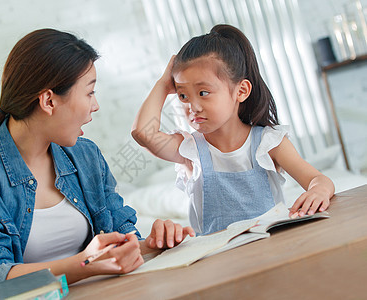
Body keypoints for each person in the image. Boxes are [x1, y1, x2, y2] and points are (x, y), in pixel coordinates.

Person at [0, 28, 194, 291]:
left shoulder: (85, 156)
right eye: (89, 93)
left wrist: (151, 244)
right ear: (49, 100)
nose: (95, 106)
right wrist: (83, 265)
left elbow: (118, 244)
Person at [132, 24, 335, 236]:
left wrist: (318, 190)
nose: (193, 106)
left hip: (271, 249)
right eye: (183, 95)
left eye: (203, 92)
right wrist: (163, 84)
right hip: (218, 260)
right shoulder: (190, 150)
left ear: (241, 91)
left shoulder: (269, 142)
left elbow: (318, 180)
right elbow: (142, 134)